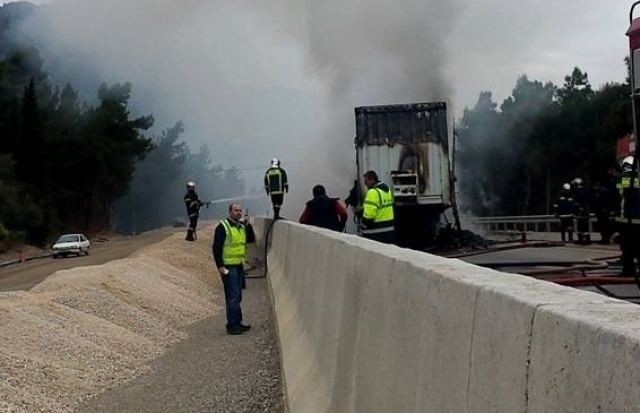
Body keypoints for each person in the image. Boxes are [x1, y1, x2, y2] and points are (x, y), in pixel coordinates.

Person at [212, 203, 255, 335]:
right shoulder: (222, 227)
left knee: (237, 295)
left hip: (239, 265)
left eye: (240, 211)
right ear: (230, 211)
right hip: (228, 266)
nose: (238, 213)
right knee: (232, 296)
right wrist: (220, 267)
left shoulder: (241, 227)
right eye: (236, 210)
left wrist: (248, 225)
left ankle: (237, 322)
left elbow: (251, 240)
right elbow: (216, 248)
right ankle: (232, 325)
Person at [614, 156, 640, 277]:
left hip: (625, 220)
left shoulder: (619, 179)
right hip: (638, 220)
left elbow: (613, 198)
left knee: (627, 247)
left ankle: (628, 271)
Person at [360, 170, 395, 244]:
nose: (365, 184)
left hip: (376, 233)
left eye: (366, 181)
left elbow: (369, 218)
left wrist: (361, 219)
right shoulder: (387, 190)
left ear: (372, 180)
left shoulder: (372, 192)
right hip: (389, 231)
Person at [571, 177, 592, 244]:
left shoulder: (578, 192)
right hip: (586, 211)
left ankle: (581, 240)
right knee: (585, 226)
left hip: (580, 212)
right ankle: (587, 239)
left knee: (581, 226)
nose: (574, 187)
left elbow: (576, 202)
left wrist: (576, 210)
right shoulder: (586, 190)